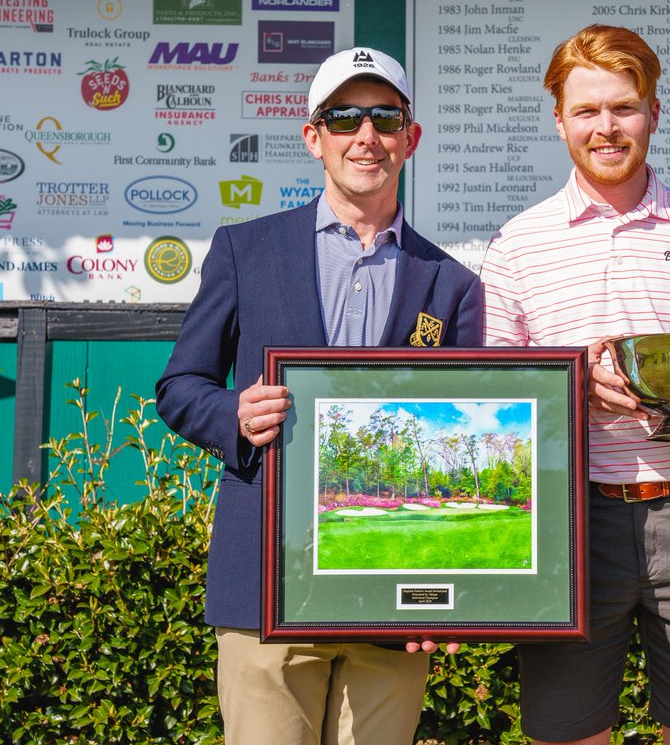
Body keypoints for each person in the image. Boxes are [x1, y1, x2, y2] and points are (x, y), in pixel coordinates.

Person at [156, 46, 482, 745]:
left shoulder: (451, 284)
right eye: (344, 117)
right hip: (267, 584)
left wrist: (448, 597)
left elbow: (458, 449)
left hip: (394, 600)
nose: (366, 136)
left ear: (410, 138)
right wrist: (234, 415)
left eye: (385, 118)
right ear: (314, 136)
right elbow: (181, 386)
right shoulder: (245, 251)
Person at [480, 24, 670, 745]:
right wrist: (572, 384)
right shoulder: (518, 244)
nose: (606, 128)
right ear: (559, 122)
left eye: (623, 107)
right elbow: (492, 404)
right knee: (566, 736)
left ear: (653, 113)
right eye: (586, 111)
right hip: (565, 525)